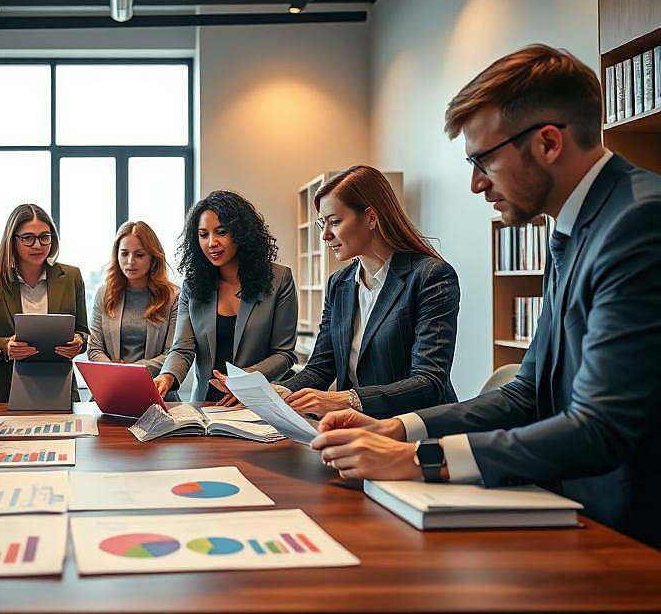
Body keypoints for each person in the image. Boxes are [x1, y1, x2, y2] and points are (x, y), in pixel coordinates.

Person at [311, 44, 661, 548]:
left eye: (484, 160)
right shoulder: (576, 228)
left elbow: (599, 426)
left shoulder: (636, 224)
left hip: (634, 536)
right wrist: (399, 430)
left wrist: (418, 459)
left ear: (547, 143)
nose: (476, 183)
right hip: (579, 517)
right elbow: (528, 393)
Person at [219, 166, 460, 419]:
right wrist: (272, 392)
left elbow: (428, 382)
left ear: (371, 217)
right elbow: (320, 369)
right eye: (323, 223)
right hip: (356, 429)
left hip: (416, 430)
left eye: (335, 222)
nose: (325, 235)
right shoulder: (340, 283)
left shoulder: (431, 276)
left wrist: (345, 399)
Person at [153, 190, 298, 402]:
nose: (211, 242)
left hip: (257, 401)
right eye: (203, 235)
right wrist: (166, 376)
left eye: (221, 232)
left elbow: (284, 354)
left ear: (241, 233)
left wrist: (242, 380)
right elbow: (182, 349)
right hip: (206, 404)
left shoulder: (279, 279)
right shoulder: (192, 287)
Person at [0, 204, 89, 401]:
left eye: (44, 237)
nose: (38, 245)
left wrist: (79, 341)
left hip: (59, 387)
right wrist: (5, 346)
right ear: (12, 240)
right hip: (2, 392)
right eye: (28, 238)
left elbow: (83, 333)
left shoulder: (71, 277)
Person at [87, 221, 179, 377]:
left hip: (157, 387)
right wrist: (114, 372)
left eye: (139, 255)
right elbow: (94, 348)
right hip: (112, 385)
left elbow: (173, 354)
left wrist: (131, 370)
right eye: (124, 253)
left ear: (153, 257)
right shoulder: (103, 293)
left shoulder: (173, 297)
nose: (130, 261)